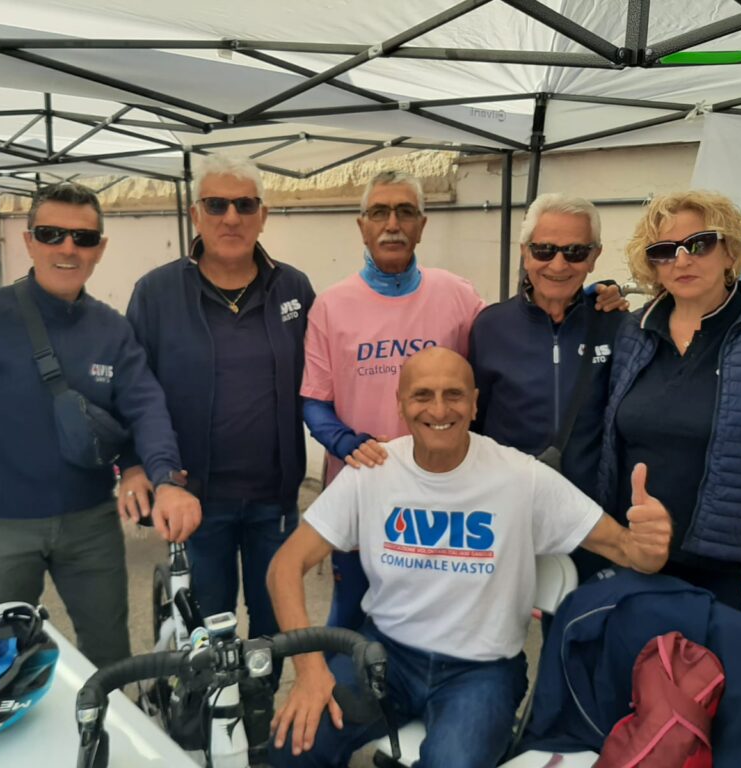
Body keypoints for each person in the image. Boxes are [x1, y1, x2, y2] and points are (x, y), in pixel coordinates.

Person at [268, 347, 673, 768]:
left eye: (454, 394)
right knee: (293, 744)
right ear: (400, 404)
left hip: (480, 672)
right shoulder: (372, 471)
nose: (439, 409)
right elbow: (285, 567)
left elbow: (626, 549)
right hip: (383, 656)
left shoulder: (521, 477)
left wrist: (649, 546)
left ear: (475, 403)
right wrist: (310, 671)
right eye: (422, 395)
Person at [0, 182, 189, 668]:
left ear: (100, 248)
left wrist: (153, 473)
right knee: (3, 660)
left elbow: (144, 408)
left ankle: (106, 721)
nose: (67, 248)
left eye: (83, 238)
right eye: (51, 234)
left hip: (89, 524)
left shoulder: (111, 330)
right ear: (28, 240)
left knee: (109, 657)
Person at [597, 190, 741, 620]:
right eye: (665, 250)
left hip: (720, 572)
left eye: (699, 243)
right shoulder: (634, 331)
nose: (682, 260)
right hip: (631, 555)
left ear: (730, 251)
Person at [119, 154, 315, 641]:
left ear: (263, 215)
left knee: (276, 631)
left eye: (245, 205)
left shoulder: (293, 287)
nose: (231, 217)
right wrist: (134, 464)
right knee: (209, 635)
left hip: (275, 500)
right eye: (216, 205)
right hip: (196, 500)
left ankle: (266, 693)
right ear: (195, 214)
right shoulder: (156, 293)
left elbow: (322, 378)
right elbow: (130, 388)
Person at [300, 169, 485, 631]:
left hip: (441, 499)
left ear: (422, 225)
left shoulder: (459, 295)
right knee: (351, 624)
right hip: (362, 494)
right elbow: (314, 401)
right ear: (361, 225)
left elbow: (511, 345)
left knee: (436, 624)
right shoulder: (331, 305)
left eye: (405, 212)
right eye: (379, 212)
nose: (392, 224)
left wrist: (574, 303)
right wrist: (348, 444)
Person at [470, 194, 628, 580]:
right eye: (544, 250)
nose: (558, 265)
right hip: (506, 518)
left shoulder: (618, 325)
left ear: (594, 257)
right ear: (525, 252)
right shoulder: (489, 326)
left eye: (575, 252)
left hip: (592, 522)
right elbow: (474, 425)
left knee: (581, 616)